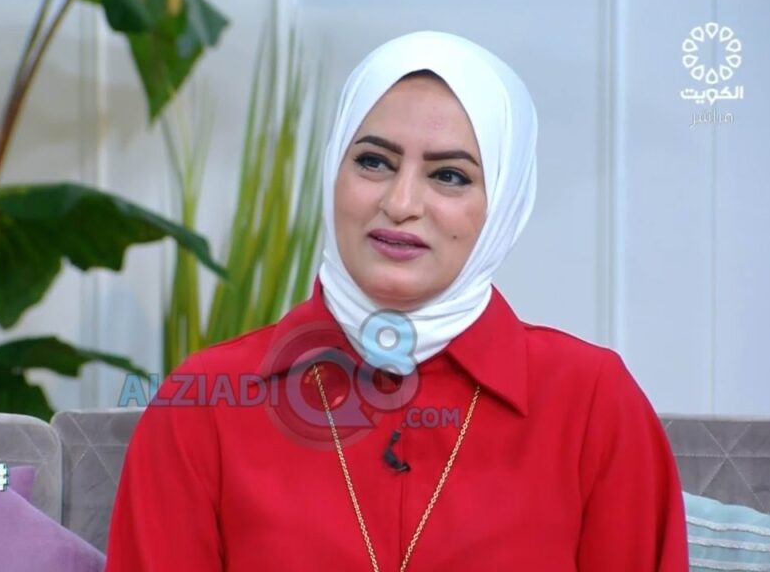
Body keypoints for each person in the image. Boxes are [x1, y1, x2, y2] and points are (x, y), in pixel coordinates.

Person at [105, 31, 689, 571]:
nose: (401, 202)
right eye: (374, 162)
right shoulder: (204, 407)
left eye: (450, 176)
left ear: (504, 203)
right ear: (333, 172)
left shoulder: (592, 403)